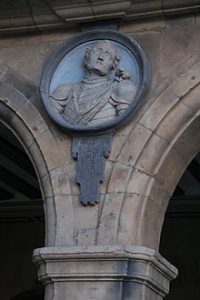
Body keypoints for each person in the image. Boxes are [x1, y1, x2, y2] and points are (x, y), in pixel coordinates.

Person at [50, 40, 137, 126]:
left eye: (107, 54)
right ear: (87, 56)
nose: (101, 57)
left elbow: (128, 126)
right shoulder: (64, 90)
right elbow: (49, 125)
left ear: (114, 64)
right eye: (97, 51)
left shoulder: (121, 88)